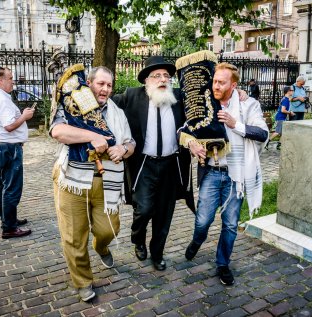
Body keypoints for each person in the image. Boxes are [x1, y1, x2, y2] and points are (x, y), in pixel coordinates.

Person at [50, 66, 135, 302]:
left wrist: (123, 149)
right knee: (75, 236)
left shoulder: (117, 112)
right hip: (72, 181)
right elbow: (57, 131)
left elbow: (131, 143)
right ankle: (83, 282)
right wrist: (92, 136)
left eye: (109, 85)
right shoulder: (73, 102)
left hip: (107, 181)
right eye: (100, 84)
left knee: (109, 229)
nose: (105, 89)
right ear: (89, 83)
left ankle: (102, 247)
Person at [186, 63, 268, 286]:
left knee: (230, 224)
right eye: (214, 81)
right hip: (212, 172)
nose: (216, 86)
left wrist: (236, 124)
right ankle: (197, 239)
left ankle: (222, 263)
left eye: (221, 82)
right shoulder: (204, 103)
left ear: (234, 84)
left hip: (237, 176)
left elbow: (263, 133)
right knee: (203, 220)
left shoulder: (248, 105)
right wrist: (191, 142)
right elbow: (185, 126)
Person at [112, 56, 194, 272]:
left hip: (170, 165)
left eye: (166, 75)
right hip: (144, 165)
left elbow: (205, 102)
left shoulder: (179, 98)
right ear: (146, 80)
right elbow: (105, 103)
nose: (162, 79)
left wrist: (238, 94)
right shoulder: (132, 96)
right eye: (156, 75)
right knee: (145, 208)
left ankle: (157, 253)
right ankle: (138, 238)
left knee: (164, 214)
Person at [0, 66, 34, 239]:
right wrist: (25, 116)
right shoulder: (0, 98)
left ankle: (8, 219)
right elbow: (9, 126)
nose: (13, 81)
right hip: (7, 147)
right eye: (10, 78)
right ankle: (9, 227)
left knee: (1, 184)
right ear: (0, 79)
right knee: (11, 187)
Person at [265, 86, 295, 150]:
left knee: (283, 132)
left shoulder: (285, 99)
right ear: (288, 91)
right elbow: (283, 110)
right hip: (280, 118)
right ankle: (266, 142)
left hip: (282, 117)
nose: (292, 92)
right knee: (277, 132)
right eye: (291, 91)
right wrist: (290, 113)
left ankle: (279, 145)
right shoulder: (286, 100)